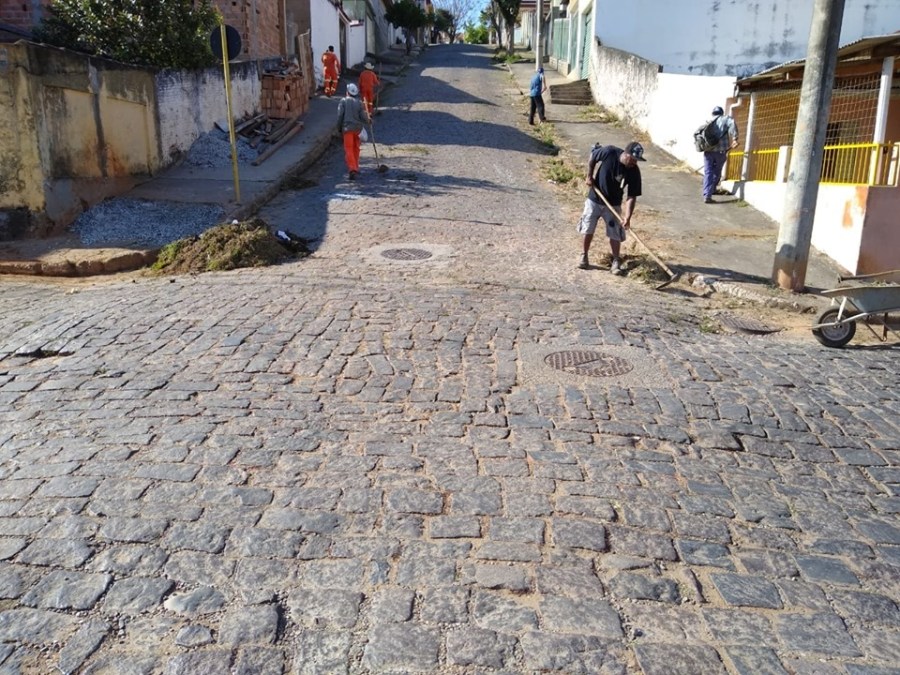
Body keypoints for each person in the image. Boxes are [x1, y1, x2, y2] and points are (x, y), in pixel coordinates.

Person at [577, 141, 645, 274]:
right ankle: (584, 255)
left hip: (613, 204)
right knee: (588, 227)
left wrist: (627, 217)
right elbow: (593, 157)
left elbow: (632, 196)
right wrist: (589, 175)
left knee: (615, 232)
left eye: (636, 160)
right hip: (595, 199)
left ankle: (616, 261)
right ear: (626, 154)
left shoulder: (634, 171)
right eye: (633, 159)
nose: (634, 162)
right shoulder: (609, 152)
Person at [703, 105, 739, 203]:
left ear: (713, 113)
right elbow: (732, 125)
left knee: (708, 172)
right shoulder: (726, 119)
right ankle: (712, 189)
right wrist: (735, 139)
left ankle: (707, 195)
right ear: (721, 113)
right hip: (721, 151)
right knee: (717, 171)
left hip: (708, 151)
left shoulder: (708, 121)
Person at [336, 83, 370, 180]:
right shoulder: (359, 102)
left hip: (347, 129)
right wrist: (369, 121)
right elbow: (363, 116)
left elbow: (340, 116)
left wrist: (339, 128)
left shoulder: (343, 101)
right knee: (356, 148)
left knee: (349, 149)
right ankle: (356, 167)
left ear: (347, 92)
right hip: (357, 129)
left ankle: (352, 169)